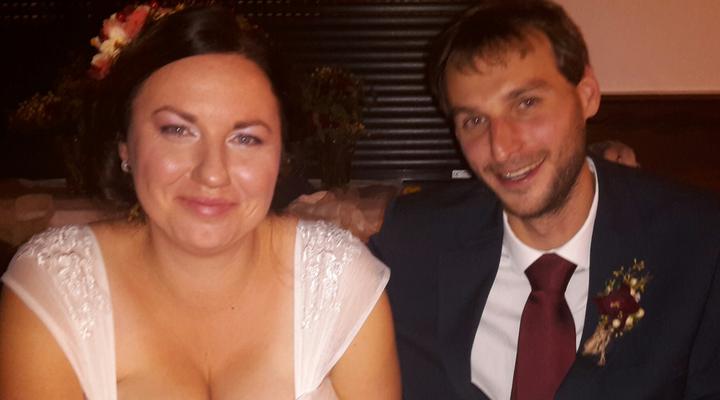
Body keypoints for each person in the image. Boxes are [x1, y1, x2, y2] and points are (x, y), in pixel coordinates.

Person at [0, 5, 400, 399]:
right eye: (177, 131)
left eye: (246, 138)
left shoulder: (339, 283)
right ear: (125, 144)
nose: (212, 173)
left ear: (280, 156)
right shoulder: (55, 288)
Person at [369, 1, 720, 399]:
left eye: (526, 103)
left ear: (587, 95)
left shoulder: (697, 246)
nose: (501, 148)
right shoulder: (411, 246)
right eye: (474, 120)